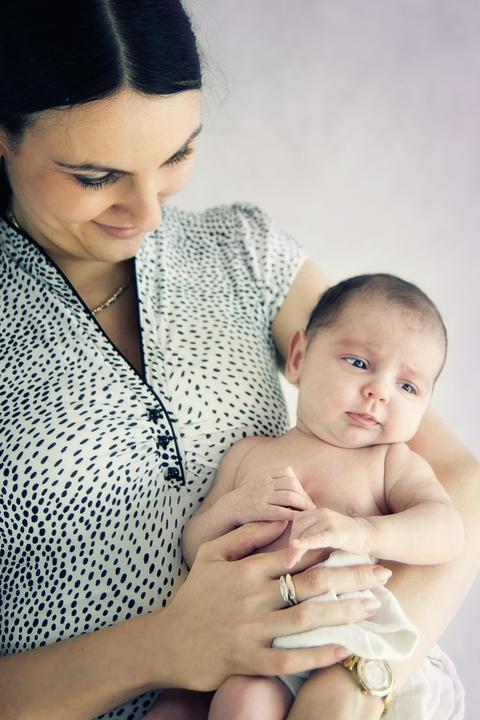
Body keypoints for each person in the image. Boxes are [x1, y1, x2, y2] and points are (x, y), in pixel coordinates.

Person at [0, 2, 478, 720]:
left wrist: (357, 678)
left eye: (177, 155)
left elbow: (459, 486)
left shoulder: (241, 252)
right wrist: (164, 648)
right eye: (96, 175)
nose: (149, 214)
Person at [147, 273, 463, 719]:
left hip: (339, 643)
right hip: (246, 634)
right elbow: (194, 545)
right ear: (298, 358)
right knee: (188, 707)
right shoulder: (250, 455)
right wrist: (233, 510)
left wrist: (365, 532)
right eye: (359, 362)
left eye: (407, 387)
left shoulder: (390, 462)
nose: (379, 391)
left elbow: (448, 531)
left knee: (258, 704)